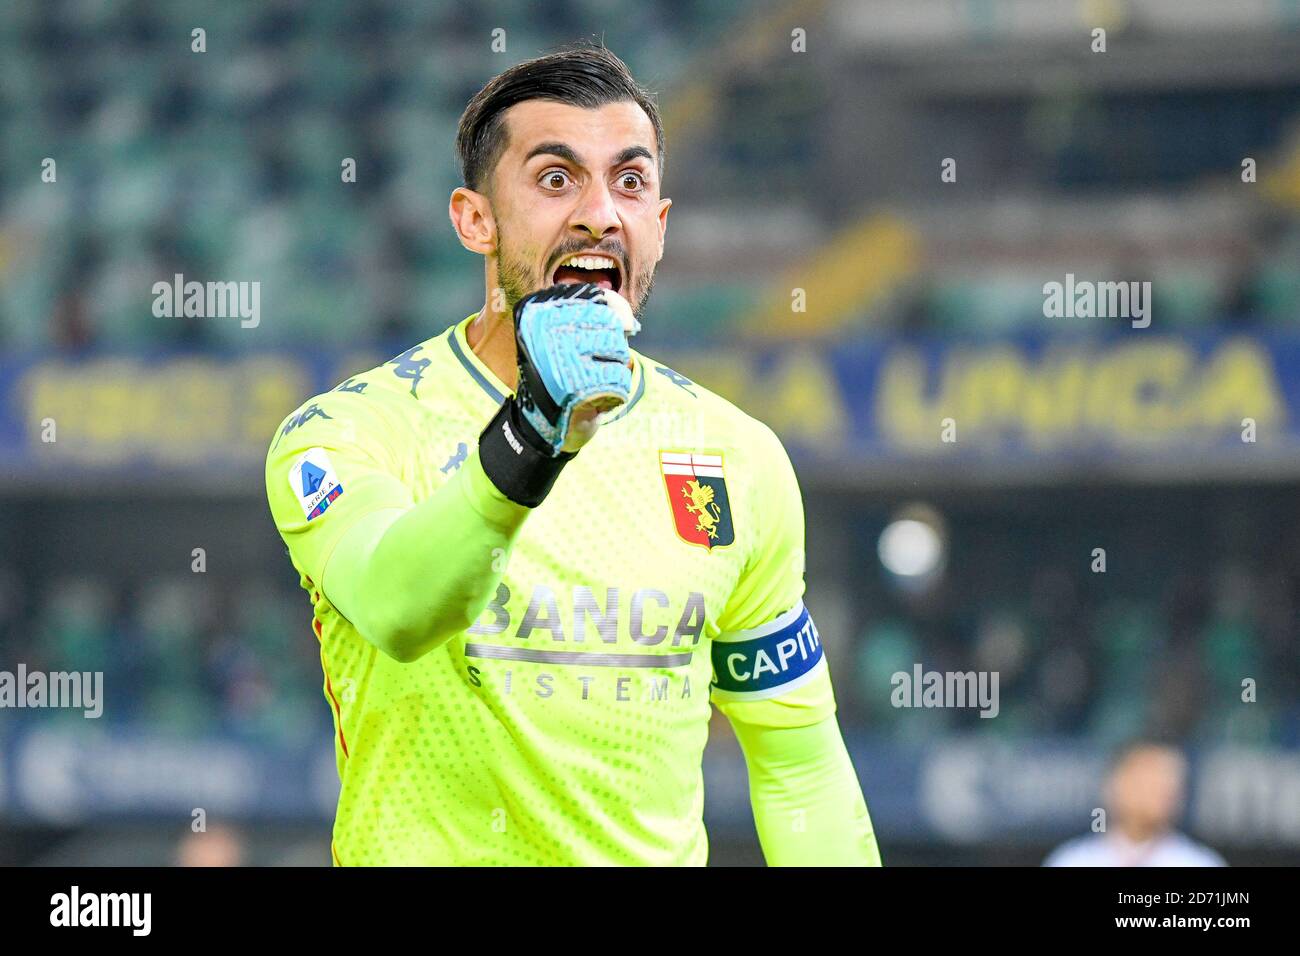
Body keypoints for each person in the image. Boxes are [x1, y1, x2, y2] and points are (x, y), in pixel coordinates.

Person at [265, 42, 879, 866]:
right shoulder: (350, 432)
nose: (600, 213)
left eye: (631, 182)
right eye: (557, 180)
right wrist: (530, 435)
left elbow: (798, 767)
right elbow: (399, 609)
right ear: (474, 219)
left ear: (658, 227)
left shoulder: (737, 458)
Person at [1044, 740, 1226, 866]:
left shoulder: (1199, 863)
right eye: (1149, 780)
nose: (1163, 791)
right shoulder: (1072, 861)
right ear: (1114, 784)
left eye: (1171, 782)